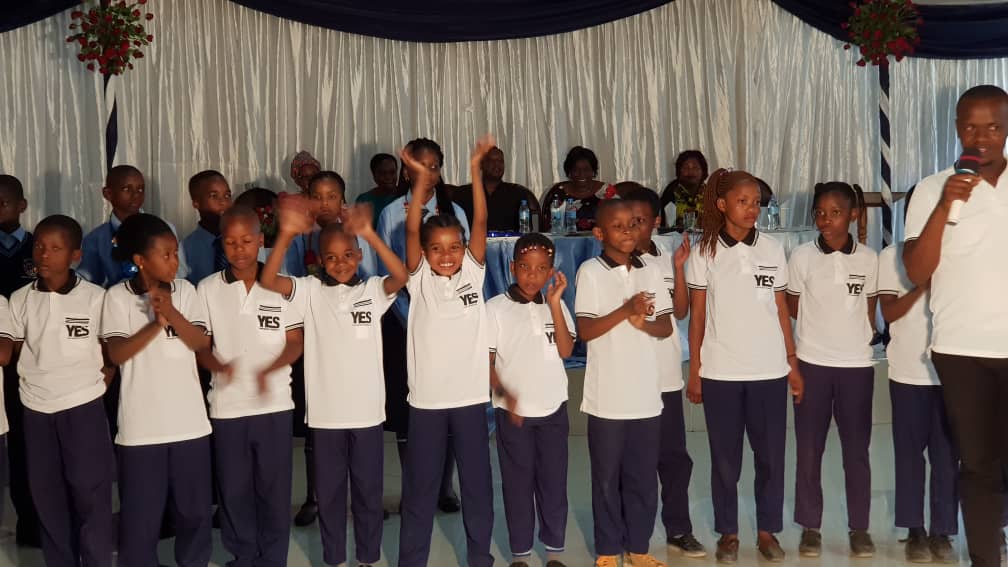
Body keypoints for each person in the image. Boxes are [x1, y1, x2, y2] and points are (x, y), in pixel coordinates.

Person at [261, 197, 408, 567]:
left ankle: (368, 558)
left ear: (358, 256)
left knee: (368, 493)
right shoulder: (309, 292)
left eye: (347, 255)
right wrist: (287, 234)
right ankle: (334, 559)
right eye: (330, 257)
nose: (340, 263)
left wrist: (370, 235)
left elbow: (402, 276)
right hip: (326, 418)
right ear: (318, 261)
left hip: (367, 415)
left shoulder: (371, 291)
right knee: (328, 496)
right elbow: (267, 279)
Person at [902, 84, 1008, 567]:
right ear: (956, 127)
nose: (981, 137)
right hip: (962, 350)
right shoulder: (930, 188)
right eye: (970, 126)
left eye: (992, 126)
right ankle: (986, 558)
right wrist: (946, 206)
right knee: (979, 466)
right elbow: (917, 271)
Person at [685, 168, 804, 564]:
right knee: (725, 460)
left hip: (769, 372)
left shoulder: (772, 249)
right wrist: (696, 368)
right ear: (722, 205)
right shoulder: (705, 253)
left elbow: (782, 309)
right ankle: (729, 532)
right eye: (743, 201)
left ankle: (768, 531)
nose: (752, 208)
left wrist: (792, 363)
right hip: (721, 373)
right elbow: (698, 317)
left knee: (771, 457)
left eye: (757, 202)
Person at [396, 136, 496, 567]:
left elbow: (479, 221)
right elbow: (413, 228)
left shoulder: (473, 275)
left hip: (471, 399)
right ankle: (410, 560)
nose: (447, 255)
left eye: (454, 247)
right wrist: (420, 182)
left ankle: (479, 557)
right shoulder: (418, 282)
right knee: (419, 489)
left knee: (477, 486)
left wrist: (474, 168)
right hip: (428, 403)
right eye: (437, 250)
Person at [100, 213, 213, 567]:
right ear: (140, 260)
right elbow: (117, 353)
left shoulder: (188, 292)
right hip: (140, 429)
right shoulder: (117, 298)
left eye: (175, 253)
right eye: (165, 255)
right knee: (140, 519)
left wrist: (173, 314)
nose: (174, 262)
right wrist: (155, 324)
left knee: (194, 514)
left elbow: (200, 343)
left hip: (190, 425)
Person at [194, 206, 304, 566]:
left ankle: (273, 558)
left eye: (246, 241)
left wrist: (267, 370)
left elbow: (295, 342)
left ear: (261, 241)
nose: (239, 249)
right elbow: (202, 344)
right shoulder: (207, 289)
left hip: (273, 405)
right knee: (234, 490)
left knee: (274, 491)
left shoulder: (282, 286)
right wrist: (216, 366)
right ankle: (242, 555)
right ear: (220, 244)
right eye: (230, 242)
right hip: (227, 407)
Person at [4, 215, 114, 566]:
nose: (44, 254)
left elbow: (110, 355)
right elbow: (13, 351)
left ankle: (96, 560)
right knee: (47, 494)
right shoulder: (20, 299)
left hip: (82, 407)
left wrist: (96, 387)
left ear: (75, 255)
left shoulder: (96, 298)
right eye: (39, 246)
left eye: (55, 248)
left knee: (89, 492)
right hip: (36, 410)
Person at [575, 198, 675, 567]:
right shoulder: (591, 272)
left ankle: (638, 547)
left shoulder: (650, 271)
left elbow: (664, 325)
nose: (628, 232)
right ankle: (606, 549)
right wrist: (626, 310)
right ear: (600, 233)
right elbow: (585, 330)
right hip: (607, 397)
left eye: (633, 224)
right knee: (606, 478)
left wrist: (642, 323)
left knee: (643, 479)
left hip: (646, 395)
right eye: (618, 226)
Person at [376, 137, 469, 515]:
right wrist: (408, 313)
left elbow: (466, 268)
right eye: (417, 166)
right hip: (404, 322)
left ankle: (445, 487)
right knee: (408, 409)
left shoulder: (455, 211)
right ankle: (416, 486)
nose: (426, 173)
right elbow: (383, 271)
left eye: (432, 166)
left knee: (446, 403)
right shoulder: (391, 214)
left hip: (448, 325)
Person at [786, 182, 878, 558]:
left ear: (853, 214)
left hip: (856, 365)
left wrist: (854, 339)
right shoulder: (802, 257)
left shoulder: (870, 259)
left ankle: (860, 527)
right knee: (809, 449)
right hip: (812, 364)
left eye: (835, 212)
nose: (825, 220)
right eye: (819, 213)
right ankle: (811, 526)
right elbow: (792, 306)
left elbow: (869, 310)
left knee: (857, 450)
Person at [622, 187, 706, 558]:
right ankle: (630, 534)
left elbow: (681, 312)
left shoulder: (666, 257)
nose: (634, 228)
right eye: (627, 221)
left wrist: (678, 269)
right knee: (632, 461)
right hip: (633, 378)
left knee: (673, 458)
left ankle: (678, 529)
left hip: (667, 374)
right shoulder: (617, 263)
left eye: (641, 221)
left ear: (656, 222)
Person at [877, 189, 959, 563]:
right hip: (908, 374)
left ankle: (942, 532)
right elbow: (889, 315)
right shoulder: (890, 257)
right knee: (910, 456)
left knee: (946, 457)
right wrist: (921, 286)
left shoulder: (956, 253)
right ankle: (914, 530)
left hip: (951, 375)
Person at [486, 233, 575, 567]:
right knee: (517, 485)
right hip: (515, 415)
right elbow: (487, 363)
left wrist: (554, 304)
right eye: (524, 267)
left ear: (551, 271)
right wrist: (505, 399)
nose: (532, 275)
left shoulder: (558, 304)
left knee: (553, 483)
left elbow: (566, 350)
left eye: (541, 268)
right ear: (512, 267)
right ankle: (520, 553)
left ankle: (554, 551)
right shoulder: (495, 309)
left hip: (554, 409)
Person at [0, 174, 42, 547]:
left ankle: (36, 520)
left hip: (34, 356)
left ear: (21, 205)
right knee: (13, 443)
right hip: (2, 358)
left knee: (32, 441)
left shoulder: (38, 247)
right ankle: (24, 516)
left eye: (5, 203)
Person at [78, 165, 188, 287]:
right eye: (126, 189)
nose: (135, 195)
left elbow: (179, 274)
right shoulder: (95, 239)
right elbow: (87, 281)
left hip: (161, 298)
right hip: (116, 301)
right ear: (108, 194)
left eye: (140, 189)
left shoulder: (165, 229)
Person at [454, 146, 539, 232]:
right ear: (481, 165)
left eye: (500, 161)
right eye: (492, 160)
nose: (497, 164)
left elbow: (526, 229)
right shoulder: (463, 194)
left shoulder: (517, 193)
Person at [539, 146, 617, 232]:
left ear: (593, 171)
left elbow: (620, 222)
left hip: (601, 243)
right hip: (564, 243)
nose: (581, 174)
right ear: (569, 172)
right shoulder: (557, 194)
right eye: (576, 170)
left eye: (586, 169)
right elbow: (547, 228)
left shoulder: (606, 191)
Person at [182, 169, 233, 285]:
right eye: (214, 196)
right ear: (196, 203)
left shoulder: (248, 240)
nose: (223, 202)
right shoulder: (185, 248)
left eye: (227, 195)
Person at [659, 150, 708, 228]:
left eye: (695, 168)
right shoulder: (670, 192)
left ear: (703, 171)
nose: (690, 172)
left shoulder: (710, 193)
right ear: (679, 171)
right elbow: (667, 226)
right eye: (686, 168)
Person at [357, 153, 403, 227]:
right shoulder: (364, 200)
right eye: (383, 173)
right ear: (374, 175)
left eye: (392, 172)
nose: (388, 177)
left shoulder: (405, 196)